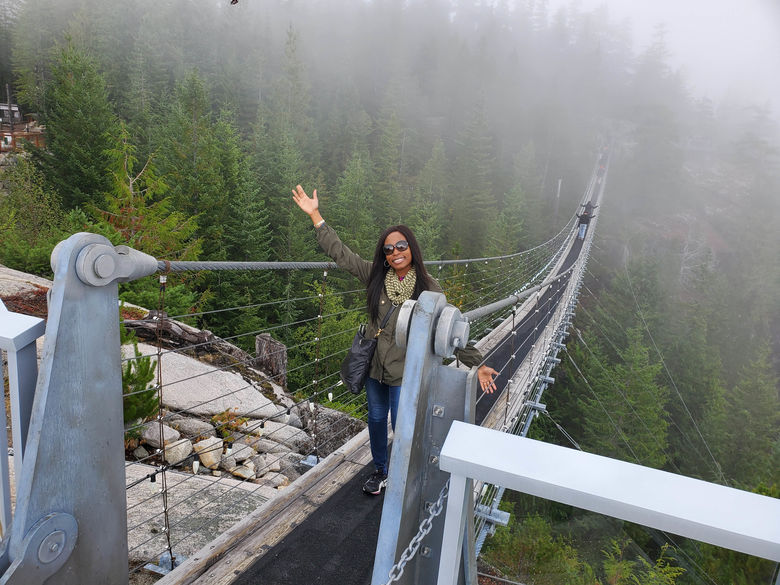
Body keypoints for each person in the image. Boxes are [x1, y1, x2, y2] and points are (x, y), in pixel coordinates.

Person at [292, 185, 499, 495]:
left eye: (401, 245)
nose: (396, 252)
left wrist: (479, 364)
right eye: (389, 249)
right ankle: (381, 470)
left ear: (411, 248)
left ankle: (405, 472)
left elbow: (448, 329)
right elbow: (342, 255)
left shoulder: (429, 287)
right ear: (384, 256)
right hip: (376, 367)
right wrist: (316, 216)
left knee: (402, 423)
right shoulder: (375, 276)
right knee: (376, 419)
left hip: (405, 370)